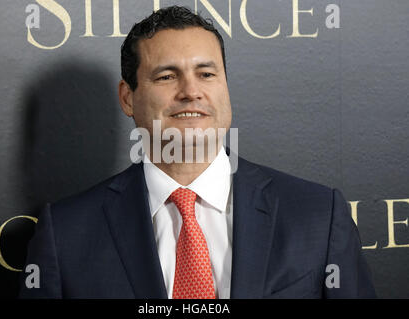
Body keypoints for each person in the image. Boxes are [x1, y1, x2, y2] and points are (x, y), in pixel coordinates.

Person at [19, 6, 376, 299]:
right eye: (166, 77)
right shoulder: (65, 232)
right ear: (128, 97)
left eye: (206, 74)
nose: (191, 91)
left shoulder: (318, 215)